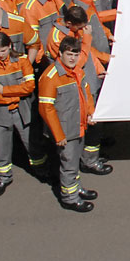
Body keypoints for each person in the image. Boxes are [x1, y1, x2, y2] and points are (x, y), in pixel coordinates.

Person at [38, 36, 99, 212]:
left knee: (73, 163)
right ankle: (69, 198)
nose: (72, 58)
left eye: (76, 54)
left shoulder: (78, 71)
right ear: (60, 53)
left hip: (78, 125)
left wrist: (90, 113)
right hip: (66, 131)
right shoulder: (51, 77)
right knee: (68, 164)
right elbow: (46, 109)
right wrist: (59, 135)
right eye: (69, 54)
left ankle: (76, 188)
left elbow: (86, 94)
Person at [0, 32, 44, 196]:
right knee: (2, 148)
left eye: (2, 51)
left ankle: (41, 169)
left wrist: (4, 91)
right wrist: (14, 96)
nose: (0, 55)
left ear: (10, 47)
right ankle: (3, 177)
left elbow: (29, 86)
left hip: (23, 112)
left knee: (32, 143)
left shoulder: (22, 61)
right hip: (0, 115)